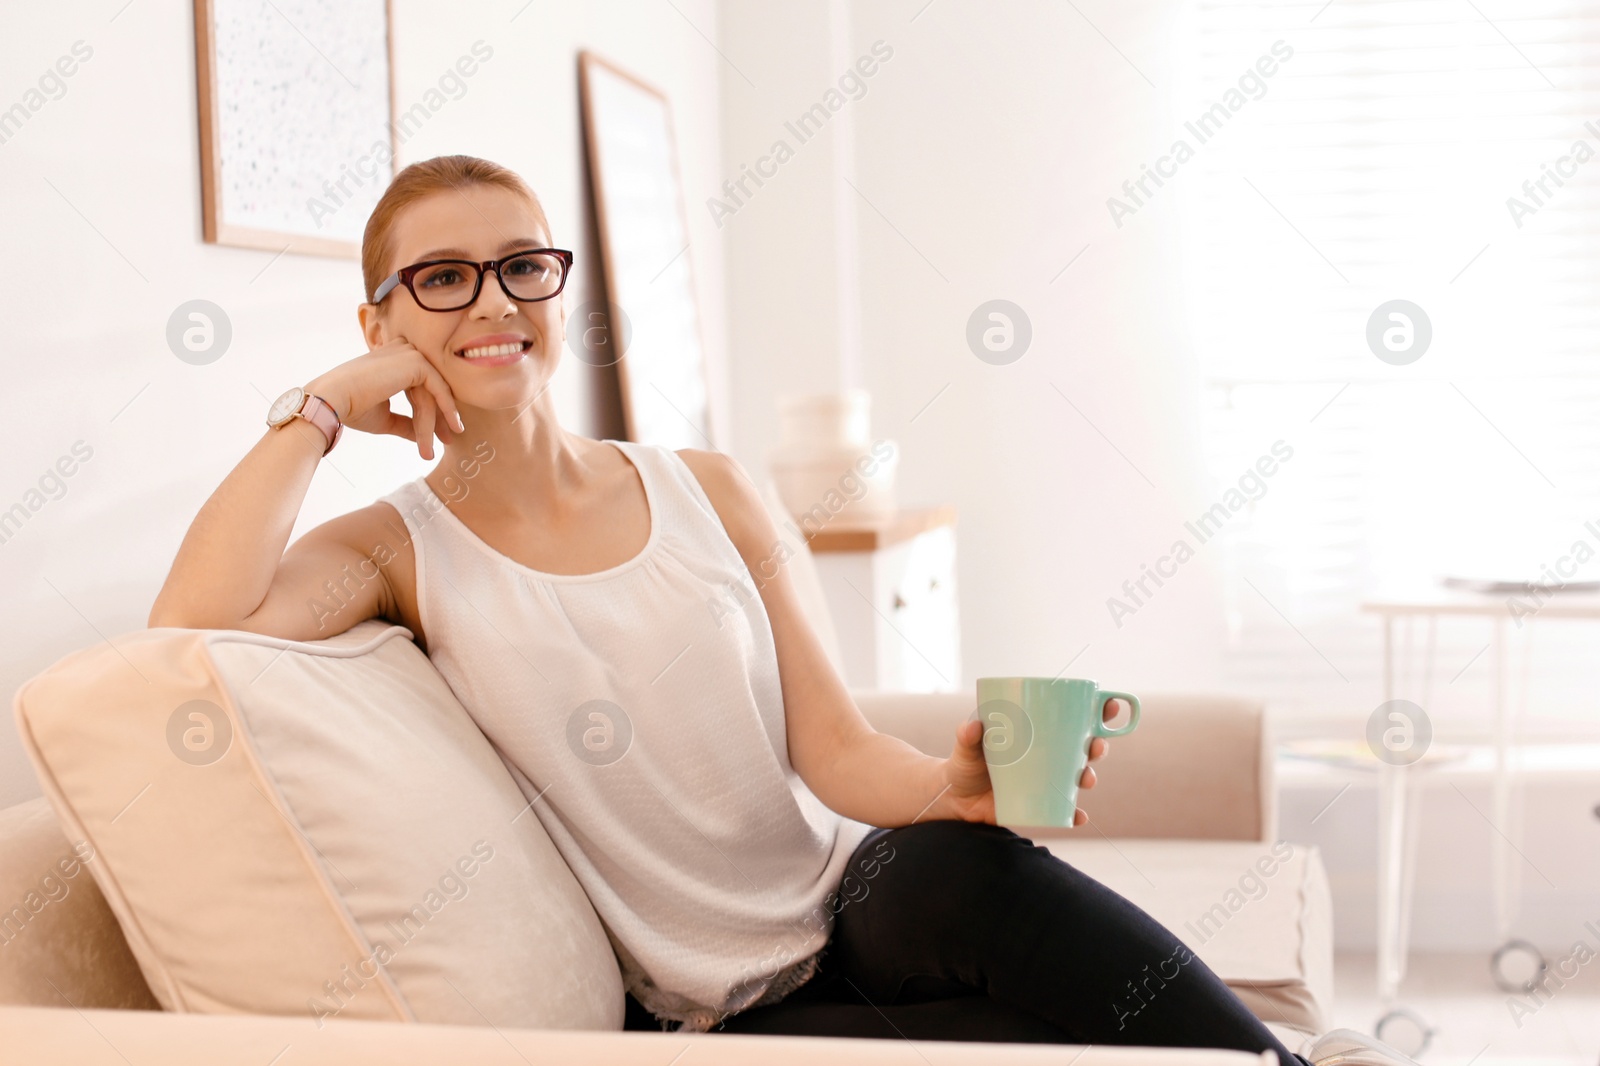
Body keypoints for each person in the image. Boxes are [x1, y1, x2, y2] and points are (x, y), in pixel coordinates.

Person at [149, 154, 1415, 1066]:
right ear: (378, 321)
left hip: (856, 901)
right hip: (715, 1005)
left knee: (958, 863)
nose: (492, 299)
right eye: (439, 278)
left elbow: (835, 747)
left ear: (559, 289)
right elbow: (185, 633)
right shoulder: (389, 549)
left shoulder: (706, 487)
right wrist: (320, 406)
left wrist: (954, 787)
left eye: (522, 264)